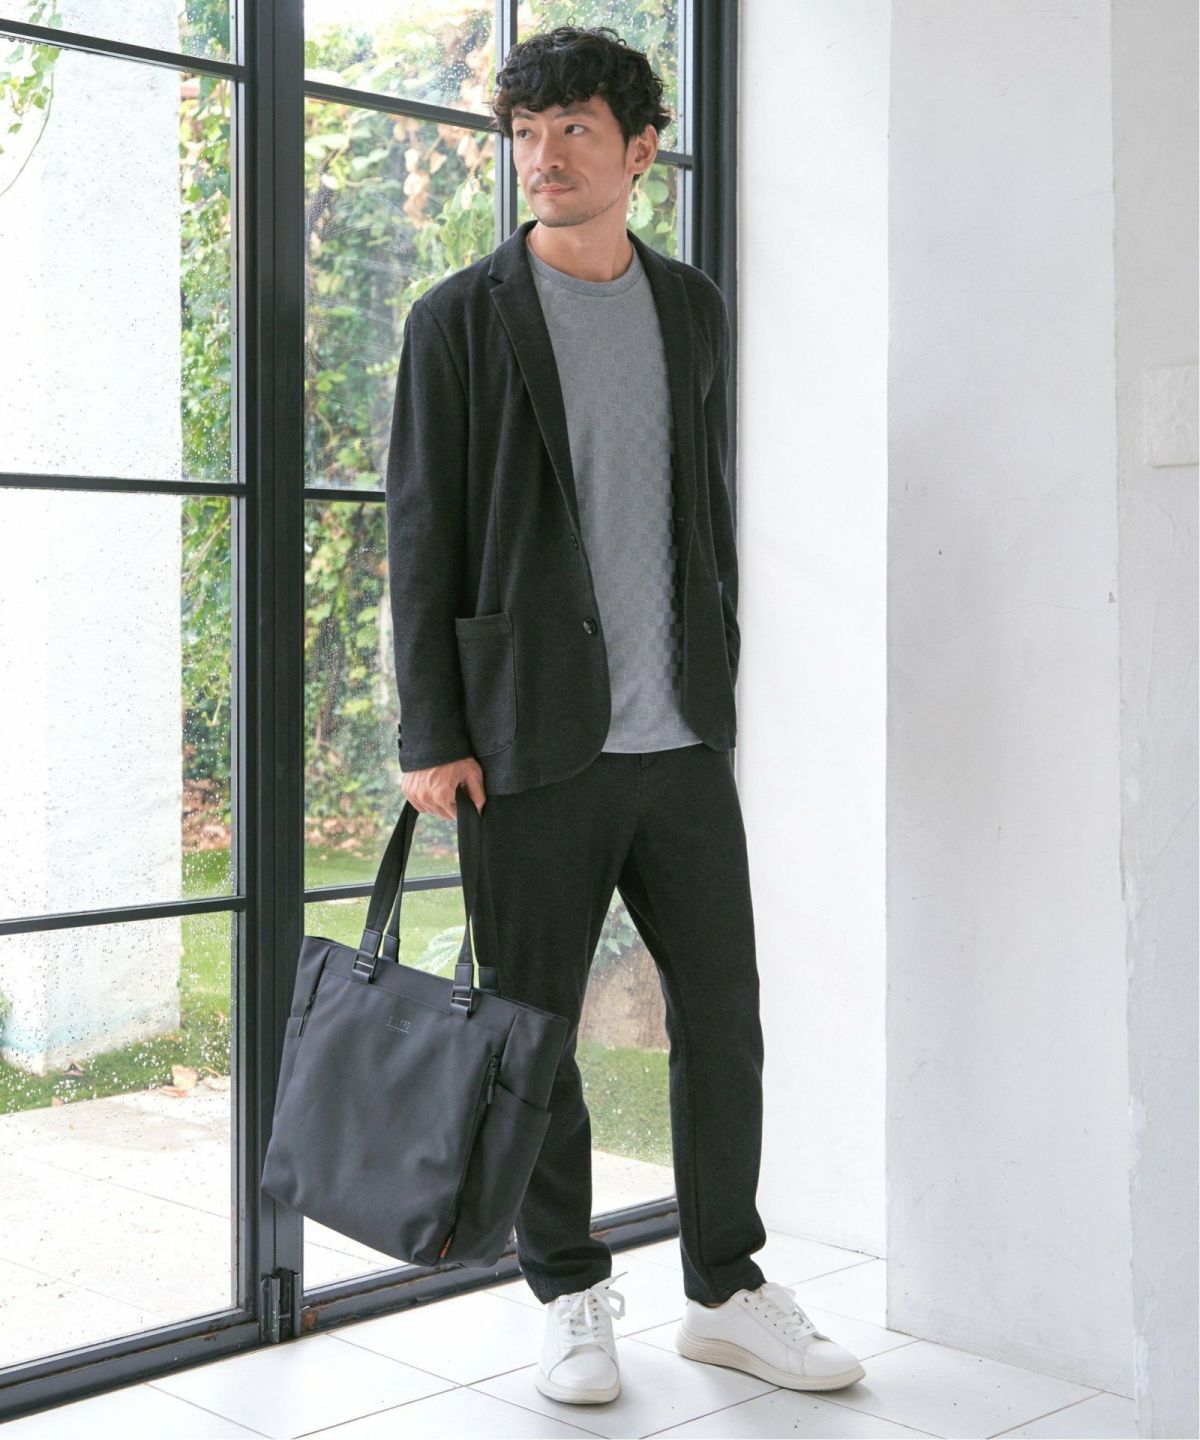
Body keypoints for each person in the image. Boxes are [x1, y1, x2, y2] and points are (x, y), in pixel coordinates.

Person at [385, 23, 866, 1406]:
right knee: (532, 1031)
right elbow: (421, 535)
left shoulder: (690, 308)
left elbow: (700, 509)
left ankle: (725, 1287)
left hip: (680, 735)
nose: (543, 158)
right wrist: (431, 731)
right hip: (527, 738)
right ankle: (569, 1292)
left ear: (641, 148)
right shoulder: (458, 320)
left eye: (575, 131)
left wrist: (719, 668)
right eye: (525, 134)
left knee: (725, 1017)